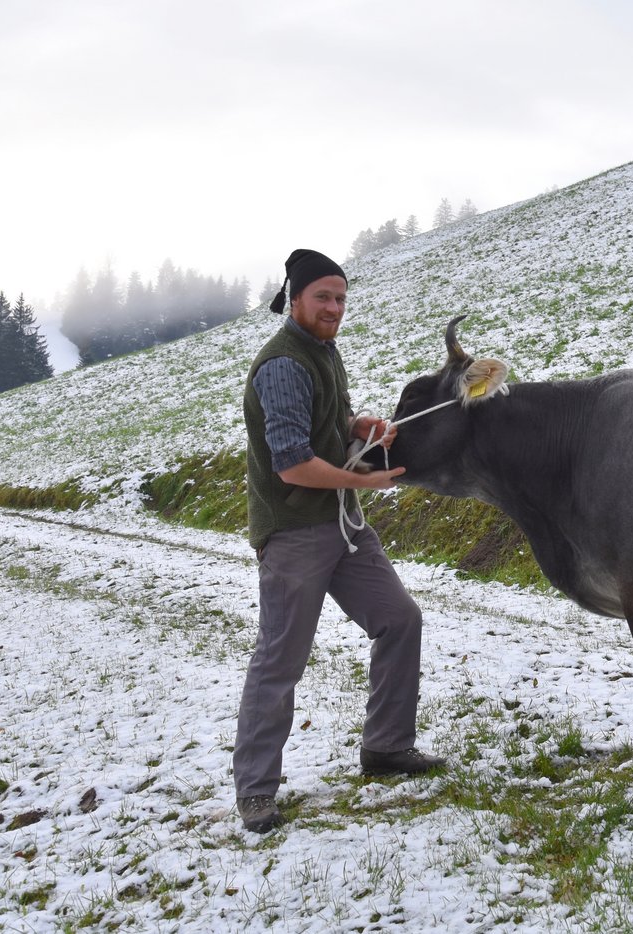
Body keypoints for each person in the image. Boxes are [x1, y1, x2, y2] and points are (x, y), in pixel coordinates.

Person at [234, 248, 443, 834]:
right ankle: (256, 791)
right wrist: (364, 480)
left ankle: (386, 747)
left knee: (399, 619)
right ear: (294, 299)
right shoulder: (283, 364)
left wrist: (358, 426)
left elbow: (325, 423)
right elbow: (293, 464)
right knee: (281, 658)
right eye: (322, 297)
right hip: (293, 533)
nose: (333, 308)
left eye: (341, 298)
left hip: (343, 526)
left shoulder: (324, 351)